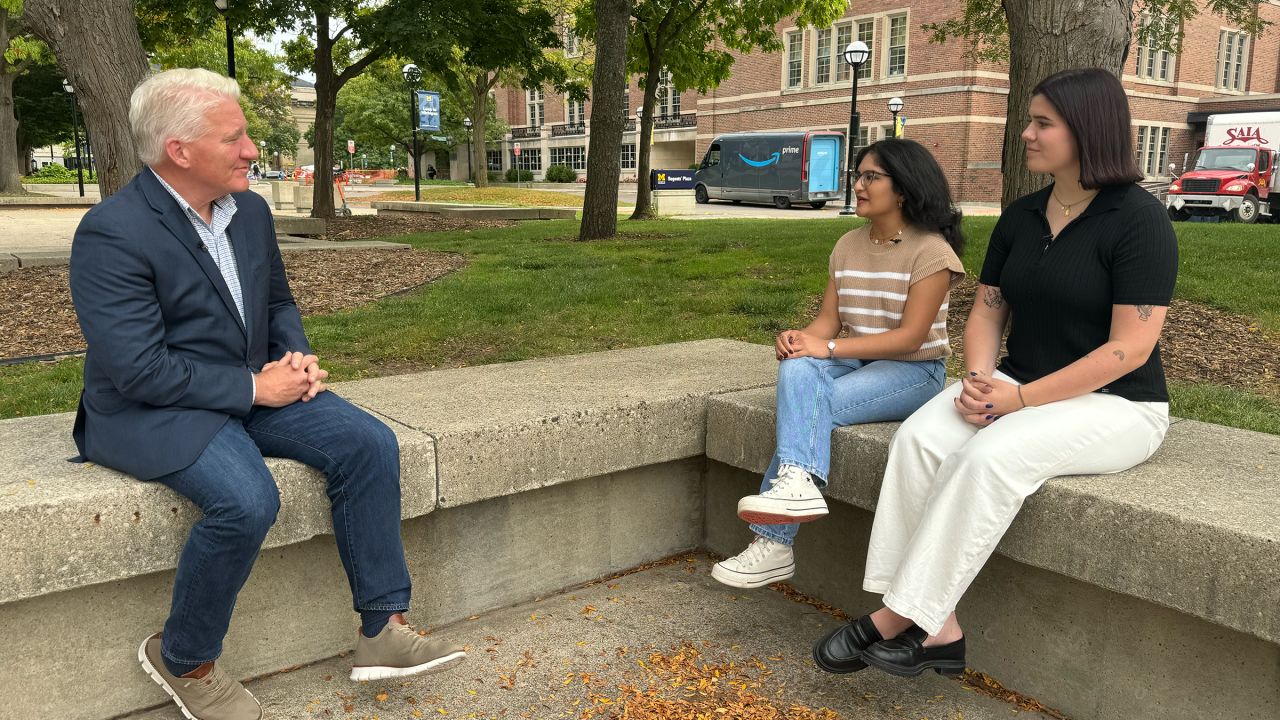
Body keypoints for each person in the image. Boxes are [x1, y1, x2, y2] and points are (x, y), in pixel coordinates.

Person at [68, 68, 464, 720]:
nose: (252, 148)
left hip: (256, 387)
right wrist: (256, 386)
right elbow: (138, 370)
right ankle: (185, 657)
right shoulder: (112, 232)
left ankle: (381, 631)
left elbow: (276, 299)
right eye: (235, 137)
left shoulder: (248, 210)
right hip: (155, 410)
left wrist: (294, 357)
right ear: (180, 151)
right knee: (248, 499)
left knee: (367, 443)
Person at [812, 68, 1178, 678]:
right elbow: (987, 310)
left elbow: (1129, 350)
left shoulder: (1138, 220)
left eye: (1043, 123)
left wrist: (1020, 400)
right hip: (1010, 383)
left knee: (989, 459)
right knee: (920, 440)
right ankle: (941, 627)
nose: (1027, 134)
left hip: (1117, 404)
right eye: (1028, 120)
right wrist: (982, 378)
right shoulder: (1023, 215)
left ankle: (892, 619)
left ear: (1087, 130)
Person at [712, 138, 966, 590]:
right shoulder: (847, 244)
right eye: (858, 175)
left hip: (914, 372)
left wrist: (825, 349)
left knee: (811, 404)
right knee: (797, 367)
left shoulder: (932, 252)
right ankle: (796, 488)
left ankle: (774, 541)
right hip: (859, 361)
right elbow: (829, 322)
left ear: (903, 188)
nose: (859, 185)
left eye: (872, 177)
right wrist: (799, 340)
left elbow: (910, 337)